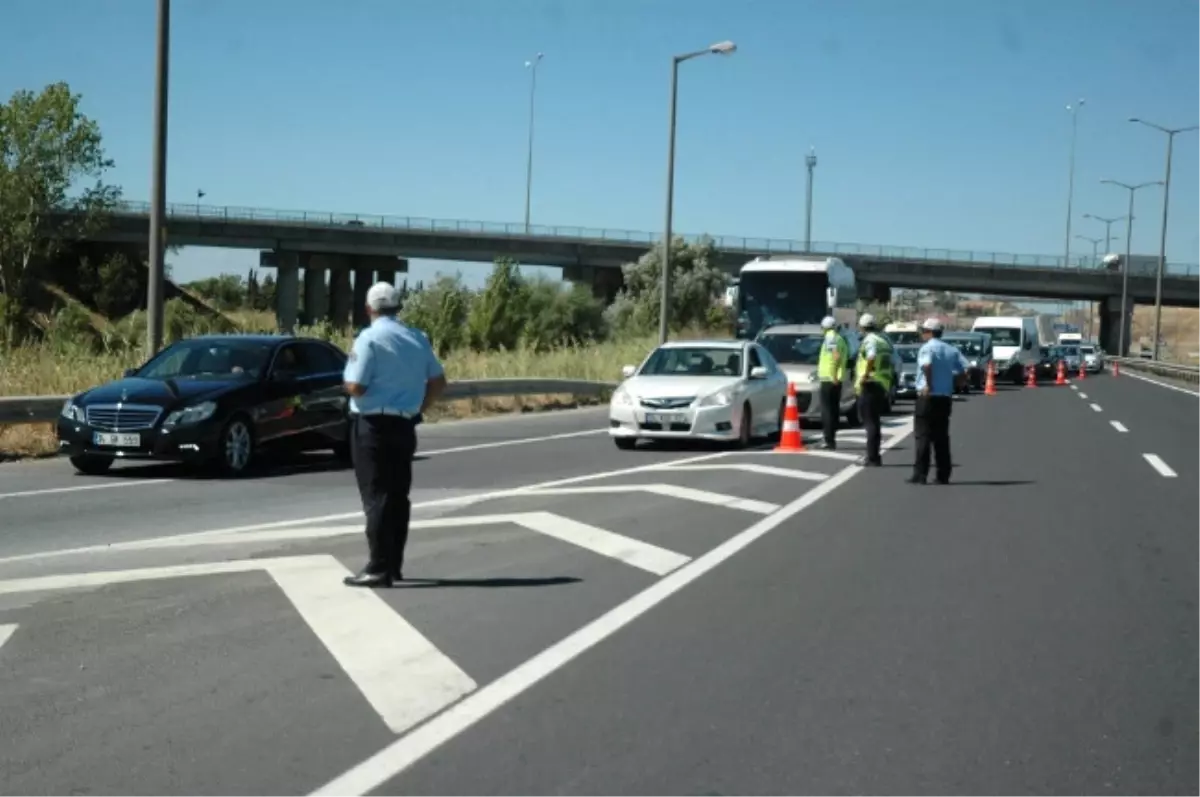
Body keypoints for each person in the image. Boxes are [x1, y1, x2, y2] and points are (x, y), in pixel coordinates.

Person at [342, 282, 447, 588]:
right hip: (404, 425)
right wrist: (418, 408)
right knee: (398, 497)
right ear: (398, 307)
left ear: (368, 309)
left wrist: (346, 386)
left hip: (372, 426)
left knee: (375, 497)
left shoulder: (369, 338)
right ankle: (394, 564)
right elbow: (438, 381)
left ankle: (377, 567)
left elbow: (356, 386)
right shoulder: (417, 337)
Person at [909, 317, 965, 485]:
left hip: (927, 397)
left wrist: (929, 384)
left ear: (930, 332)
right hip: (944, 397)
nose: (922, 334)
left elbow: (927, 366)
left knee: (923, 436)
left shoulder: (927, 348)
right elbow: (965, 369)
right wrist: (955, 385)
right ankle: (943, 475)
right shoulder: (951, 350)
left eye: (924, 331)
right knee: (941, 437)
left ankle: (920, 474)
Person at [853, 313, 893, 467]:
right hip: (882, 384)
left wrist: (865, 375)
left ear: (862, 327)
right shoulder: (883, 341)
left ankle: (872, 457)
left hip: (870, 383)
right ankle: (875, 456)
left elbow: (870, 357)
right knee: (875, 422)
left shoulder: (870, 340)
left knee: (869, 423)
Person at [816, 315, 849, 450]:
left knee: (827, 411)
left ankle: (828, 440)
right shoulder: (840, 338)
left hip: (829, 379)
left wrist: (833, 375)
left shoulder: (830, 337)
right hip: (836, 379)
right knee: (834, 410)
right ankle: (831, 439)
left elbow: (834, 356)